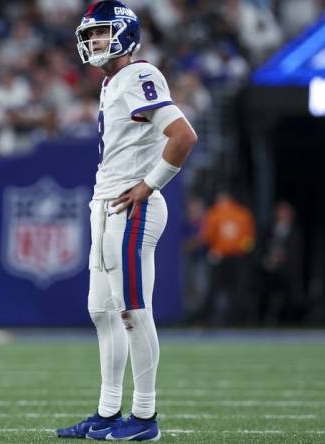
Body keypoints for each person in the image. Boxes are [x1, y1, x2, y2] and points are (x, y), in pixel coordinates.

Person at [56, 2, 197, 441]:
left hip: (131, 207)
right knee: (102, 311)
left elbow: (183, 135)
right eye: (91, 35)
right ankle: (107, 411)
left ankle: (145, 417)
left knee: (133, 311)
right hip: (107, 206)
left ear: (126, 35)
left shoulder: (139, 74)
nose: (94, 42)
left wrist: (149, 184)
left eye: (102, 33)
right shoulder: (113, 82)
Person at [198, 190, 256, 325]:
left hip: (220, 257)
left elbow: (208, 236)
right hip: (238, 257)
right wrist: (242, 251)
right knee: (237, 290)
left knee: (215, 290)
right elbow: (249, 240)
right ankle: (237, 321)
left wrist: (215, 249)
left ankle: (208, 321)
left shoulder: (214, 212)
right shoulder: (243, 213)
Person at [260, 201, 304, 324]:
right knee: (272, 295)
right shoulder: (270, 230)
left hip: (289, 270)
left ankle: (290, 320)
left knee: (290, 295)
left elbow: (296, 252)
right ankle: (270, 317)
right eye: (281, 212)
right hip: (273, 270)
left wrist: (285, 258)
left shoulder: (295, 232)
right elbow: (264, 248)